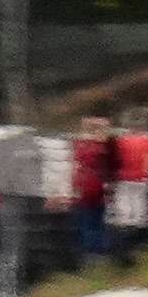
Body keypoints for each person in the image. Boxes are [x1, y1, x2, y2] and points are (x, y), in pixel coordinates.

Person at [63, 113, 119, 274]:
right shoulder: (103, 147)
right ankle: (101, 254)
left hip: (85, 186)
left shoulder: (82, 146)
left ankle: (90, 256)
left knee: (86, 222)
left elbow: (75, 162)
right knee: (98, 221)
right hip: (99, 186)